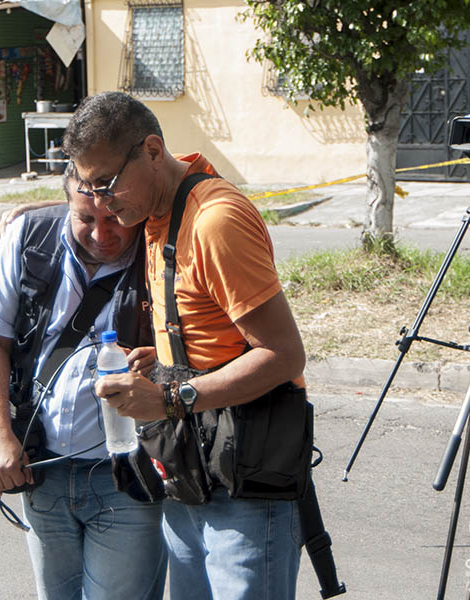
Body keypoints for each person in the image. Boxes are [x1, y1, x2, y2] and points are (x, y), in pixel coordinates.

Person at [62, 91, 307, 599]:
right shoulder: (154, 210)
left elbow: (283, 356)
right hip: (191, 471)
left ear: (153, 150)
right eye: (89, 189)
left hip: (245, 482)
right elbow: (213, 326)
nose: (102, 203)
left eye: (107, 186)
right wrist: (170, 358)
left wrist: (171, 398)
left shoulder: (214, 221)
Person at [0, 161, 167, 599]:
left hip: (127, 478)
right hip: (41, 470)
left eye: (113, 218)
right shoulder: (29, 236)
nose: (101, 234)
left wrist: (158, 364)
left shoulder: (161, 245)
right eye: (85, 218)